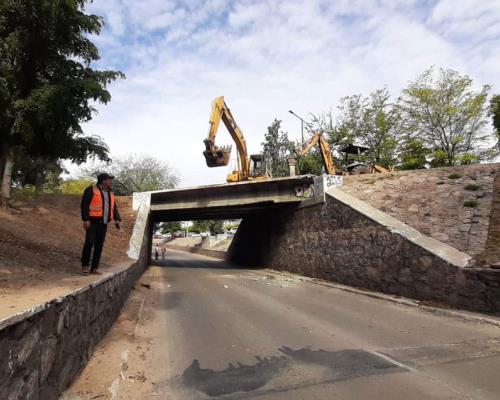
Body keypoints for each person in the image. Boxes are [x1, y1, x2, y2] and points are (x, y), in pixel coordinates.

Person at [80, 173, 122, 275]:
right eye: (109, 180)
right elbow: (84, 205)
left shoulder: (110, 193)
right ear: (103, 181)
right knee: (89, 243)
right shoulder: (91, 189)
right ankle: (85, 266)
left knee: (99, 245)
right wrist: (85, 219)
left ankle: (94, 268)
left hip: (103, 223)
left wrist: (117, 219)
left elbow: (113, 207)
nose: (111, 182)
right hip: (92, 222)